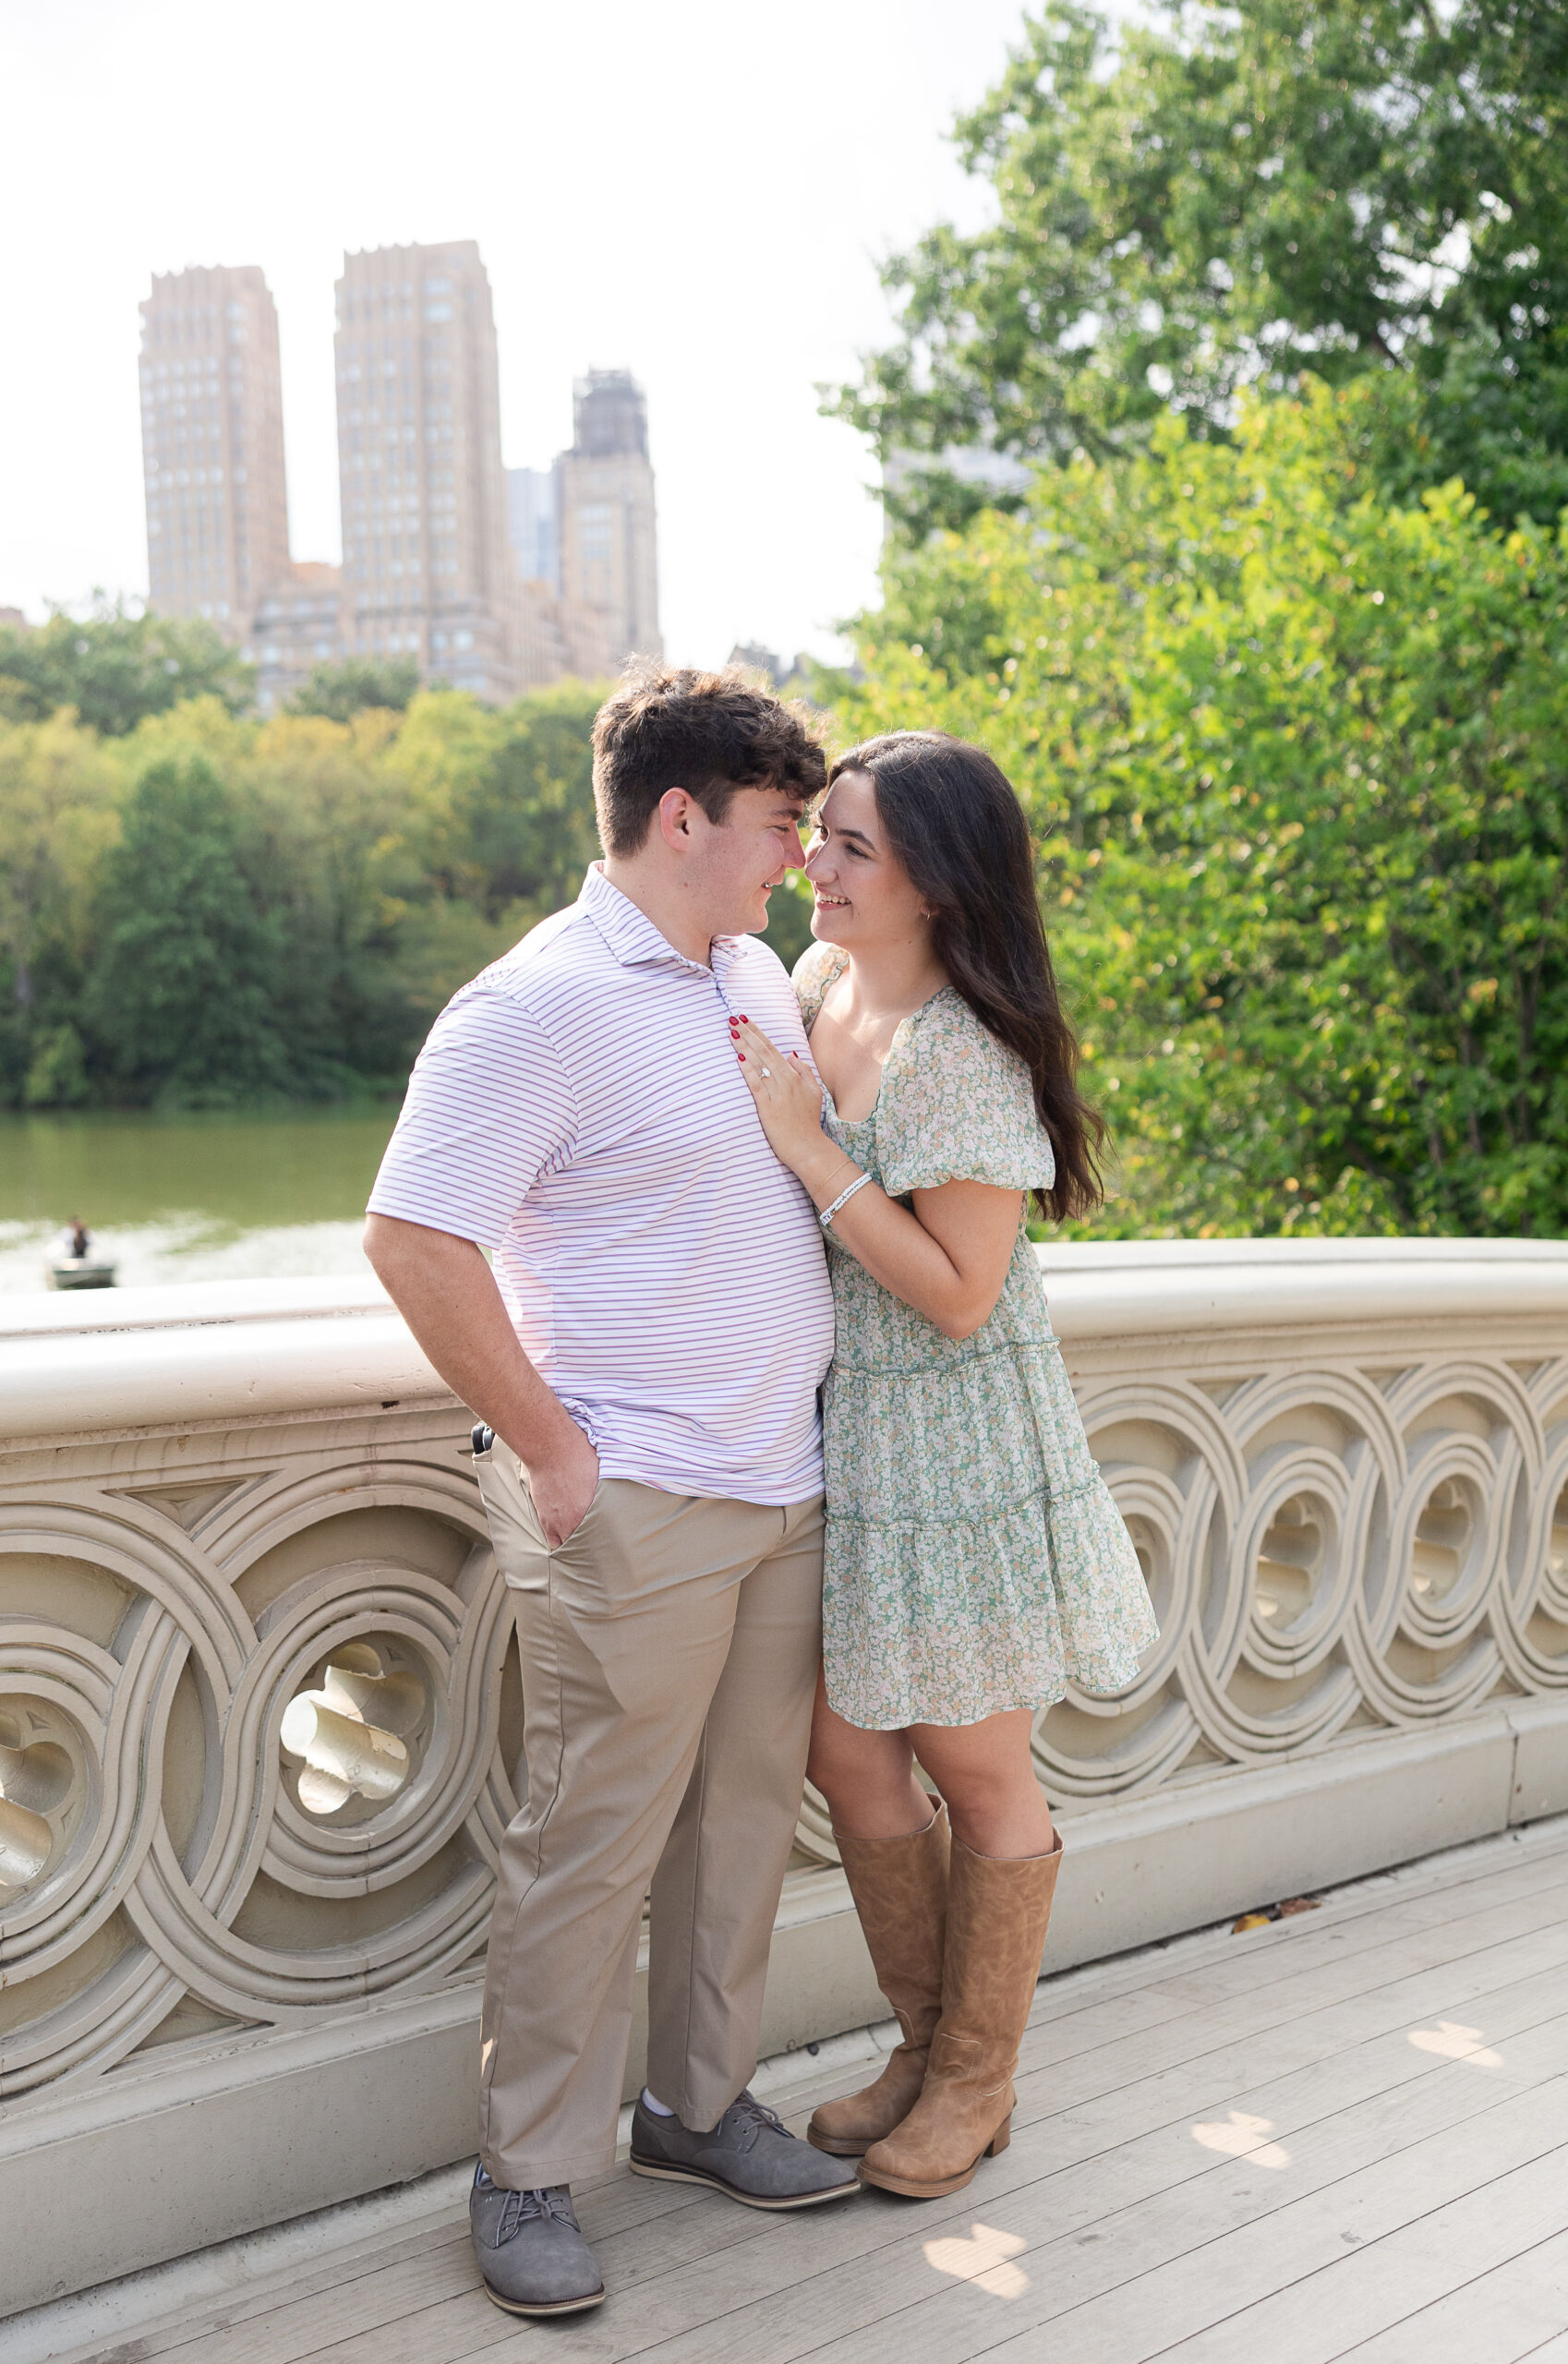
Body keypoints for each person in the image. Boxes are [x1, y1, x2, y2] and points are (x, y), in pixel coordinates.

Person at [363, 669, 860, 2322]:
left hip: (779, 1480)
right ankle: (526, 2175)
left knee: (735, 1835)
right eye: (783, 825)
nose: (798, 860)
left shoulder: (756, 981)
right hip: (632, 1492)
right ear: (680, 816)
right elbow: (415, 1238)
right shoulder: (533, 1006)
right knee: (587, 1847)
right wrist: (558, 1455)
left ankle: (697, 2112)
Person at [729, 729, 1157, 2201]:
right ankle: (924, 2046)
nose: (814, 865)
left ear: (935, 880)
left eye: (850, 846)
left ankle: (977, 2077)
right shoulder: (811, 989)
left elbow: (961, 1292)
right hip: (849, 1431)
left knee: (974, 1765)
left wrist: (808, 1149)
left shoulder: (963, 1059)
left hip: (959, 1439)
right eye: (816, 836)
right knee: (846, 1750)